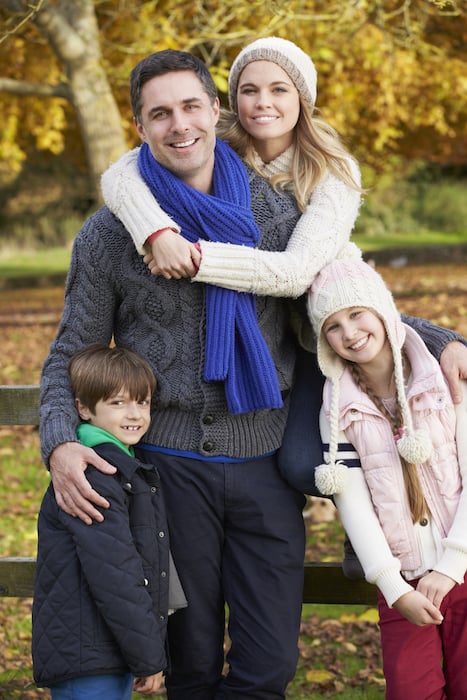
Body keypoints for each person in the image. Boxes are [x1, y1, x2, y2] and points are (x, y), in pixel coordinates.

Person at [40, 48, 467, 700]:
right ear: (139, 125)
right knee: (190, 664)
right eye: (160, 114)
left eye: (190, 106)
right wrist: (59, 439)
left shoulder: (278, 220)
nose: (178, 124)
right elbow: (72, 347)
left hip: (265, 462)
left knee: (268, 666)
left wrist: (441, 338)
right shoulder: (110, 234)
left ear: (215, 112)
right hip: (167, 471)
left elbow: (344, 302)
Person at [100, 37, 467, 496]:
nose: (262, 103)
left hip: (324, 324)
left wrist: (194, 258)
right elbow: (120, 173)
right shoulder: (214, 146)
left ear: (303, 99)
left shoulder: (332, 174)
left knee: (336, 452)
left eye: (279, 90)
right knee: (301, 466)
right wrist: (155, 231)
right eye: (249, 90)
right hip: (278, 335)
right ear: (228, 102)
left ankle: (405, 530)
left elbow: (300, 277)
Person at [307, 257, 467, 699]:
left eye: (357, 313)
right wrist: (395, 588)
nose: (350, 333)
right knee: (411, 690)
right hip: (403, 581)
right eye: (333, 326)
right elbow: (354, 506)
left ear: (381, 310)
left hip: (465, 563)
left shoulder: (446, 382)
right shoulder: (337, 410)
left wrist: (453, 564)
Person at [33, 344, 186, 699]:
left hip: (109, 647)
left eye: (142, 402)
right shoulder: (94, 476)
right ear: (83, 408)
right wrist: (150, 659)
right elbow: (116, 576)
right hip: (87, 651)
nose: (134, 414)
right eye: (117, 403)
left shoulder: (124, 467)